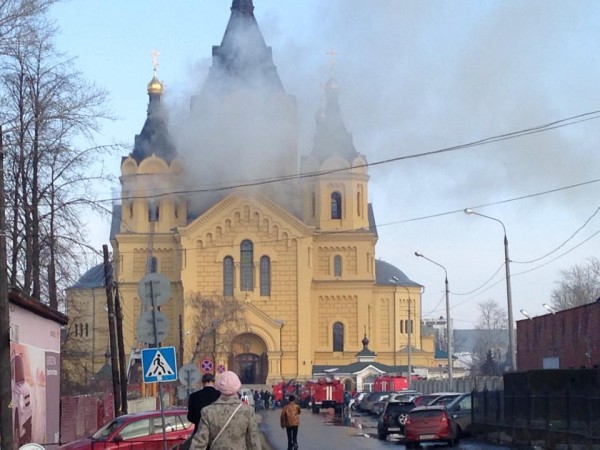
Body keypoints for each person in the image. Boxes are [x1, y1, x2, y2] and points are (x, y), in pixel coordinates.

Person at [191, 371, 261, 450]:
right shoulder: (247, 411)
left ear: (219, 386)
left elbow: (199, 444)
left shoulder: (208, 411)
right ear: (237, 386)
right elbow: (253, 442)